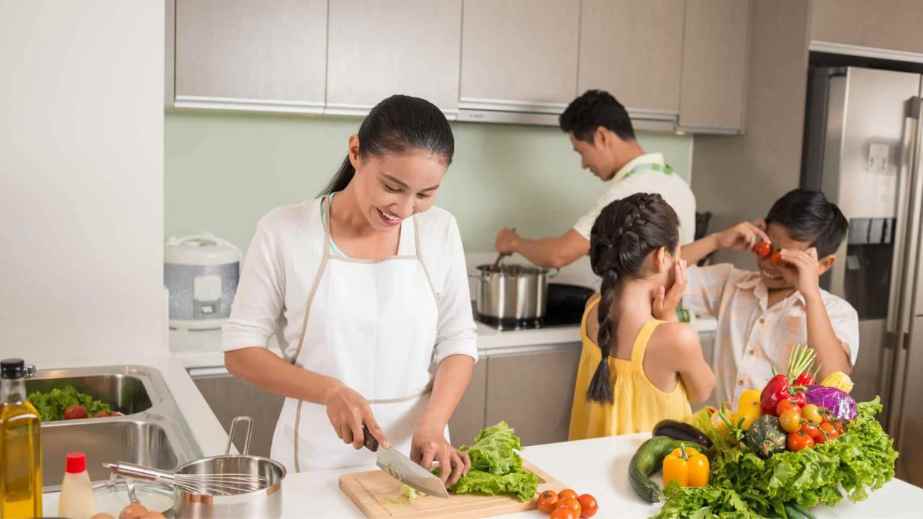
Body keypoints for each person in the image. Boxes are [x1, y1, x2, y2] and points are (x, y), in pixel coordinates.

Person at [222, 95, 478, 485]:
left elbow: (458, 341)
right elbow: (241, 352)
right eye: (393, 187)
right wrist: (329, 391)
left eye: (425, 195)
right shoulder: (284, 232)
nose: (405, 210)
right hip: (315, 464)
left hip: (416, 461)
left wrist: (434, 425)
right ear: (356, 152)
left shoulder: (440, 231)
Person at [680, 189, 858, 406]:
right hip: (722, 433)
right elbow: (658, 274)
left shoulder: (837, 312)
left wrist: (811, 295)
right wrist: (716, 241)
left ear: (823, 264)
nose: (769, 264)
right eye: (767, 250)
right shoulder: (731, 285)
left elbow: (834, 385)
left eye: (788, 261)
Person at [494, 90, 697, 269]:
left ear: (602, 137)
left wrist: (514, 243)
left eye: (581, 151)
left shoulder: (630, 191)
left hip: (640, 311)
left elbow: (558, 255)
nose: (583, 164)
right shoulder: (678, 183)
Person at [569, 193, 715, 440]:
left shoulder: (593, 308)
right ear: (661, 257)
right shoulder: (675, 337)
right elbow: (703, 391)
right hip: (647, 476)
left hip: (585, 472)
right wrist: (670, 316)